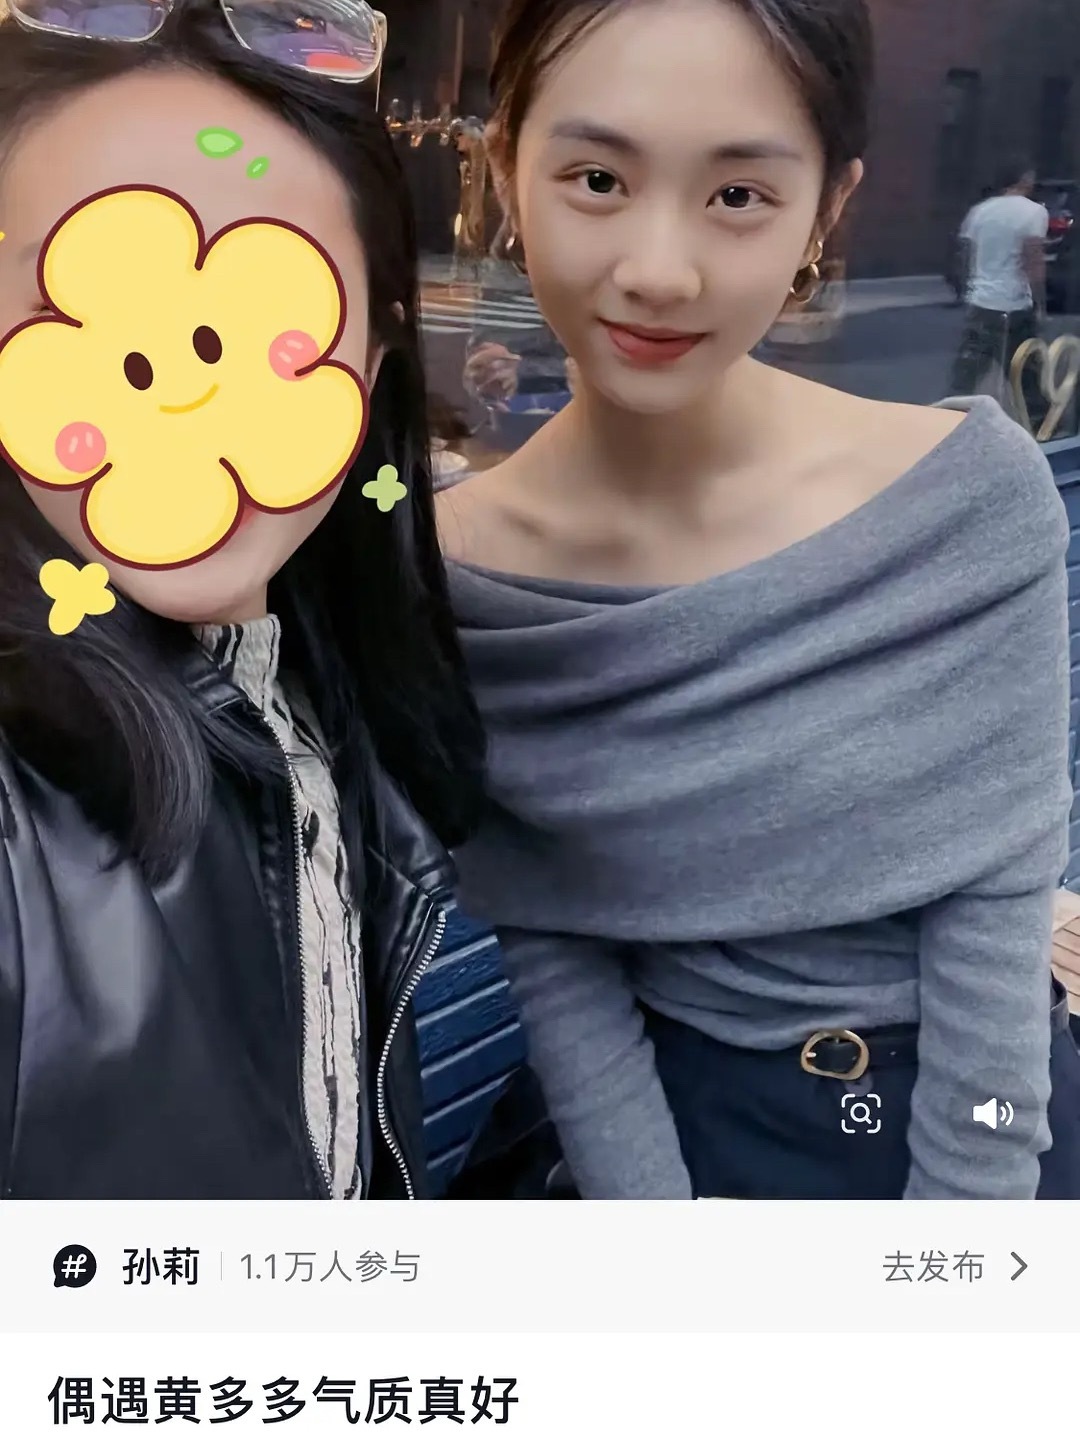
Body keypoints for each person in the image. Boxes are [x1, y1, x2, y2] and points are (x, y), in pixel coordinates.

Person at [436, 0, 1080, 1200]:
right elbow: (555, 944)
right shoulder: (461, 570)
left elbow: (998, 916)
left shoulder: (968, 502)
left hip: (962, 1109)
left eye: (738, 195)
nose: (658, 271)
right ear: (506, 165)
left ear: (828, 208)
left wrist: (967, 1249)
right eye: (596, 179)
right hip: (672, 1118)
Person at [0, 0, 486, 1199]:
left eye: (269, 318)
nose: (181, 393)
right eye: (85, 311)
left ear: (372, 362)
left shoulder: (333, 699)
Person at [951, 158, 1048, 398]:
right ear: (1025, 179)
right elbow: (1033, 260)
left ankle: (949, 416)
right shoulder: (1034, 211)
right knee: (1027, 380)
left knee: (965, 380)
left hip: (981, 305)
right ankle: (1038, 419)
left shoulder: (979, 211)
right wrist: (1040, 303)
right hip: (1014, 306)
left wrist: (967, 290)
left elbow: (965, 255)